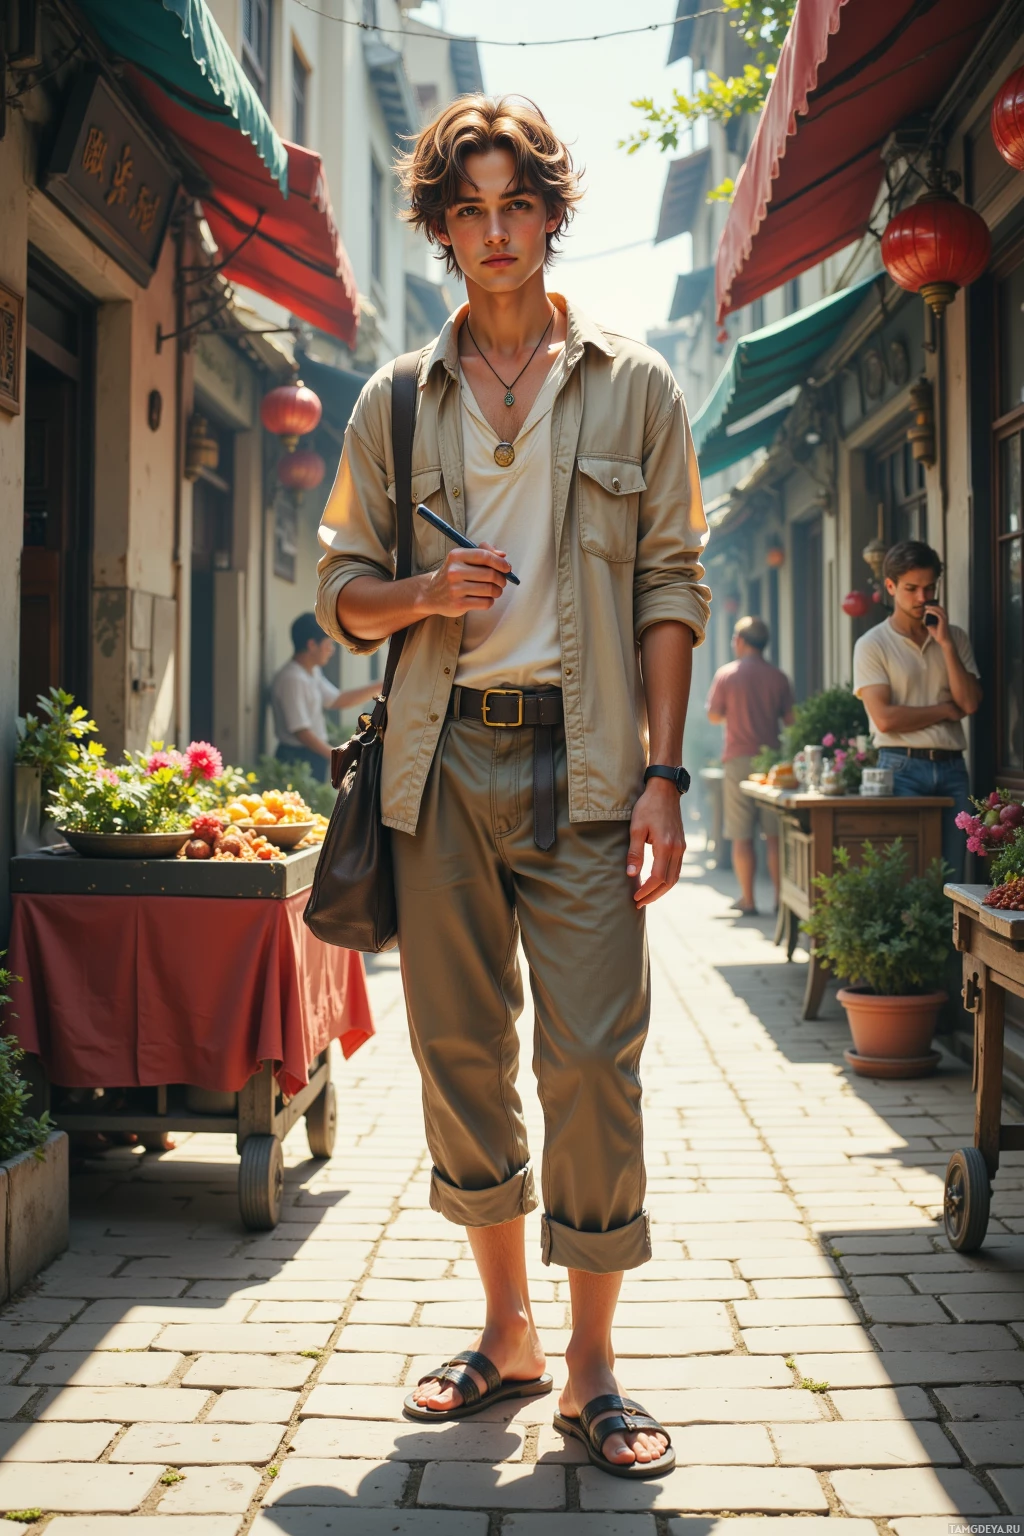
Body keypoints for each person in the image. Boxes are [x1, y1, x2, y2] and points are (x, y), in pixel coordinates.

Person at [315, 95, 710, 1477]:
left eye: (516, 204)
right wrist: (423, 591)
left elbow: (672, 585)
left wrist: (666, 774)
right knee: (458, 1054)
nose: (495, 231)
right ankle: (509, 1332)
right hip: (439, 758)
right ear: (441, 231)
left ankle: (595, 1361)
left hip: (591, 764)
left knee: (594, 1057)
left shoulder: (639, 388)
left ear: (551, 215)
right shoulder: (387, 404)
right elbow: (340, 597)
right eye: (467, 210)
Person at [853, 539, 981, 880]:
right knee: (907, 875)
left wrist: (946, 645)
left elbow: (968, 703)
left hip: (953, 768)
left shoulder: (955, 638)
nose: (923, 598)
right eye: (912, 588)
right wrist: (943, 709)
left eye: (929, 588)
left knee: (954, 877)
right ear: (891, 587)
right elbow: (885, 718)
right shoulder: (872, 644)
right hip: (901, 767)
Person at [706, 615, 794, 916]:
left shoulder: (727, 675)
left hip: (738, 760)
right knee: (774, 836)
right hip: (771, 763)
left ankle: (748, 899)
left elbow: (714, 715)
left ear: (741, 641)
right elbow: (791, 722)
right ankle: (781, 901)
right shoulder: (778, 677)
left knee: (741, 834)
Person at [270, 612, 377, 782]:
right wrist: (336, 755)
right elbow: (301, 732)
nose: (332, 650)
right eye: (329, 644)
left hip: (311, 755)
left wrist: (380, 686)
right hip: (297, 757)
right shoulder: (292, 678)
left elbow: (337, 700)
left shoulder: (311, 672)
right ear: (312, 645)